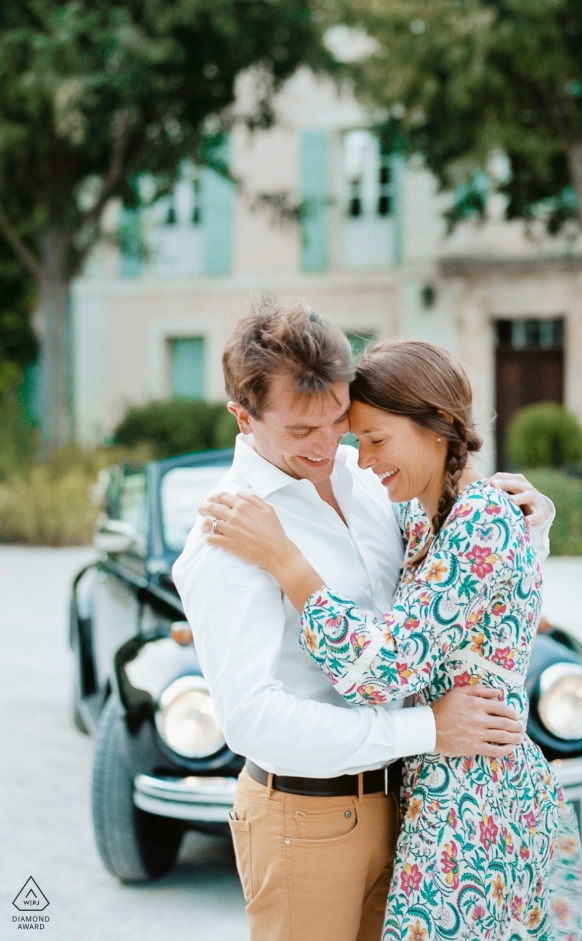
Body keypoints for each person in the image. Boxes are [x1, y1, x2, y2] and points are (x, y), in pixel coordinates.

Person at [173, 296, 557, 941]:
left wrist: (528, 527)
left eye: (339, 423)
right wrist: (424, 730)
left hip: (413, 804)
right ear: (243, 416)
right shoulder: (227, 537)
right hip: (307, 815)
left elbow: (456, 578)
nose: (329, 448)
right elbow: (252, 720)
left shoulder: (372, 479)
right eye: (302, 432)